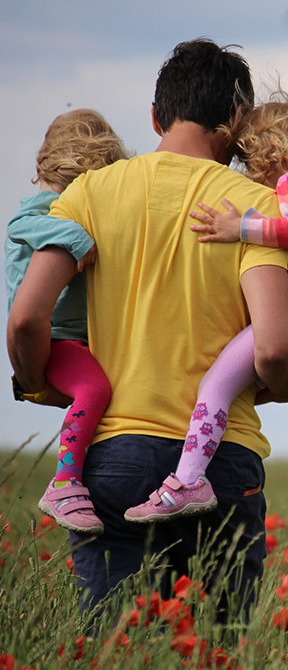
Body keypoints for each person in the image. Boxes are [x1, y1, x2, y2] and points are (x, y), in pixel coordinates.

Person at [7, 39, 288, 621]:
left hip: (113, 456)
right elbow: (272, 349)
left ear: (154, 116)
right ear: (237, 120)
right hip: (221, 461)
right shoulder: (256, 209)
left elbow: (25, 317)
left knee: (115, 645)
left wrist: (39, 380)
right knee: (215, 649)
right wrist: (285, 380)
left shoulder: (89, 193)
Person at [125, 92, 288, 523]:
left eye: (249, 164)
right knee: (235, 382)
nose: (251, 176)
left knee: (213, 385)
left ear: (267, 153)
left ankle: (188, 481)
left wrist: (240, 227)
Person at [5, 108, 128, 533]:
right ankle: (65, 482)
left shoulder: (63, 205)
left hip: (74, 338)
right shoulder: (45, 209)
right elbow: (22, 224)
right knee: (94, 388)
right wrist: (76, 237)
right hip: (54, 338)